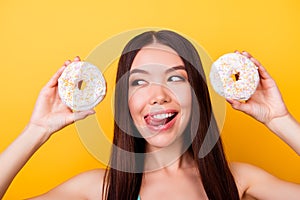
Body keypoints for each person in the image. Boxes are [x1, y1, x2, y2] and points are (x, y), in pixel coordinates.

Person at [0, 30, 299, 200]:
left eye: (175, 78)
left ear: (197, 94)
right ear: (124, 103)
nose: (158, 95)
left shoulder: (237, 180)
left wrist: (279, 120)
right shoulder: (99, 189)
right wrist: (36, 129)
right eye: (139, 81)